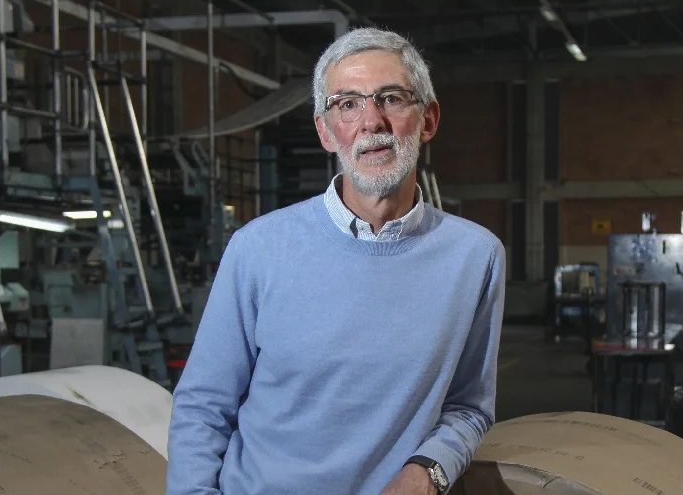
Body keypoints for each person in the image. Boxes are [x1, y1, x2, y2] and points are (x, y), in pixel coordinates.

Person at [166, 27, 506, 495]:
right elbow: (203, 405)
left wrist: (429, 470)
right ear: (326, 131)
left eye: (391, 98)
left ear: (428, 120)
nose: (371, 122)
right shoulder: (258, 249)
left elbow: (469, 407)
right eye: (347, 104)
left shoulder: (476, 256)